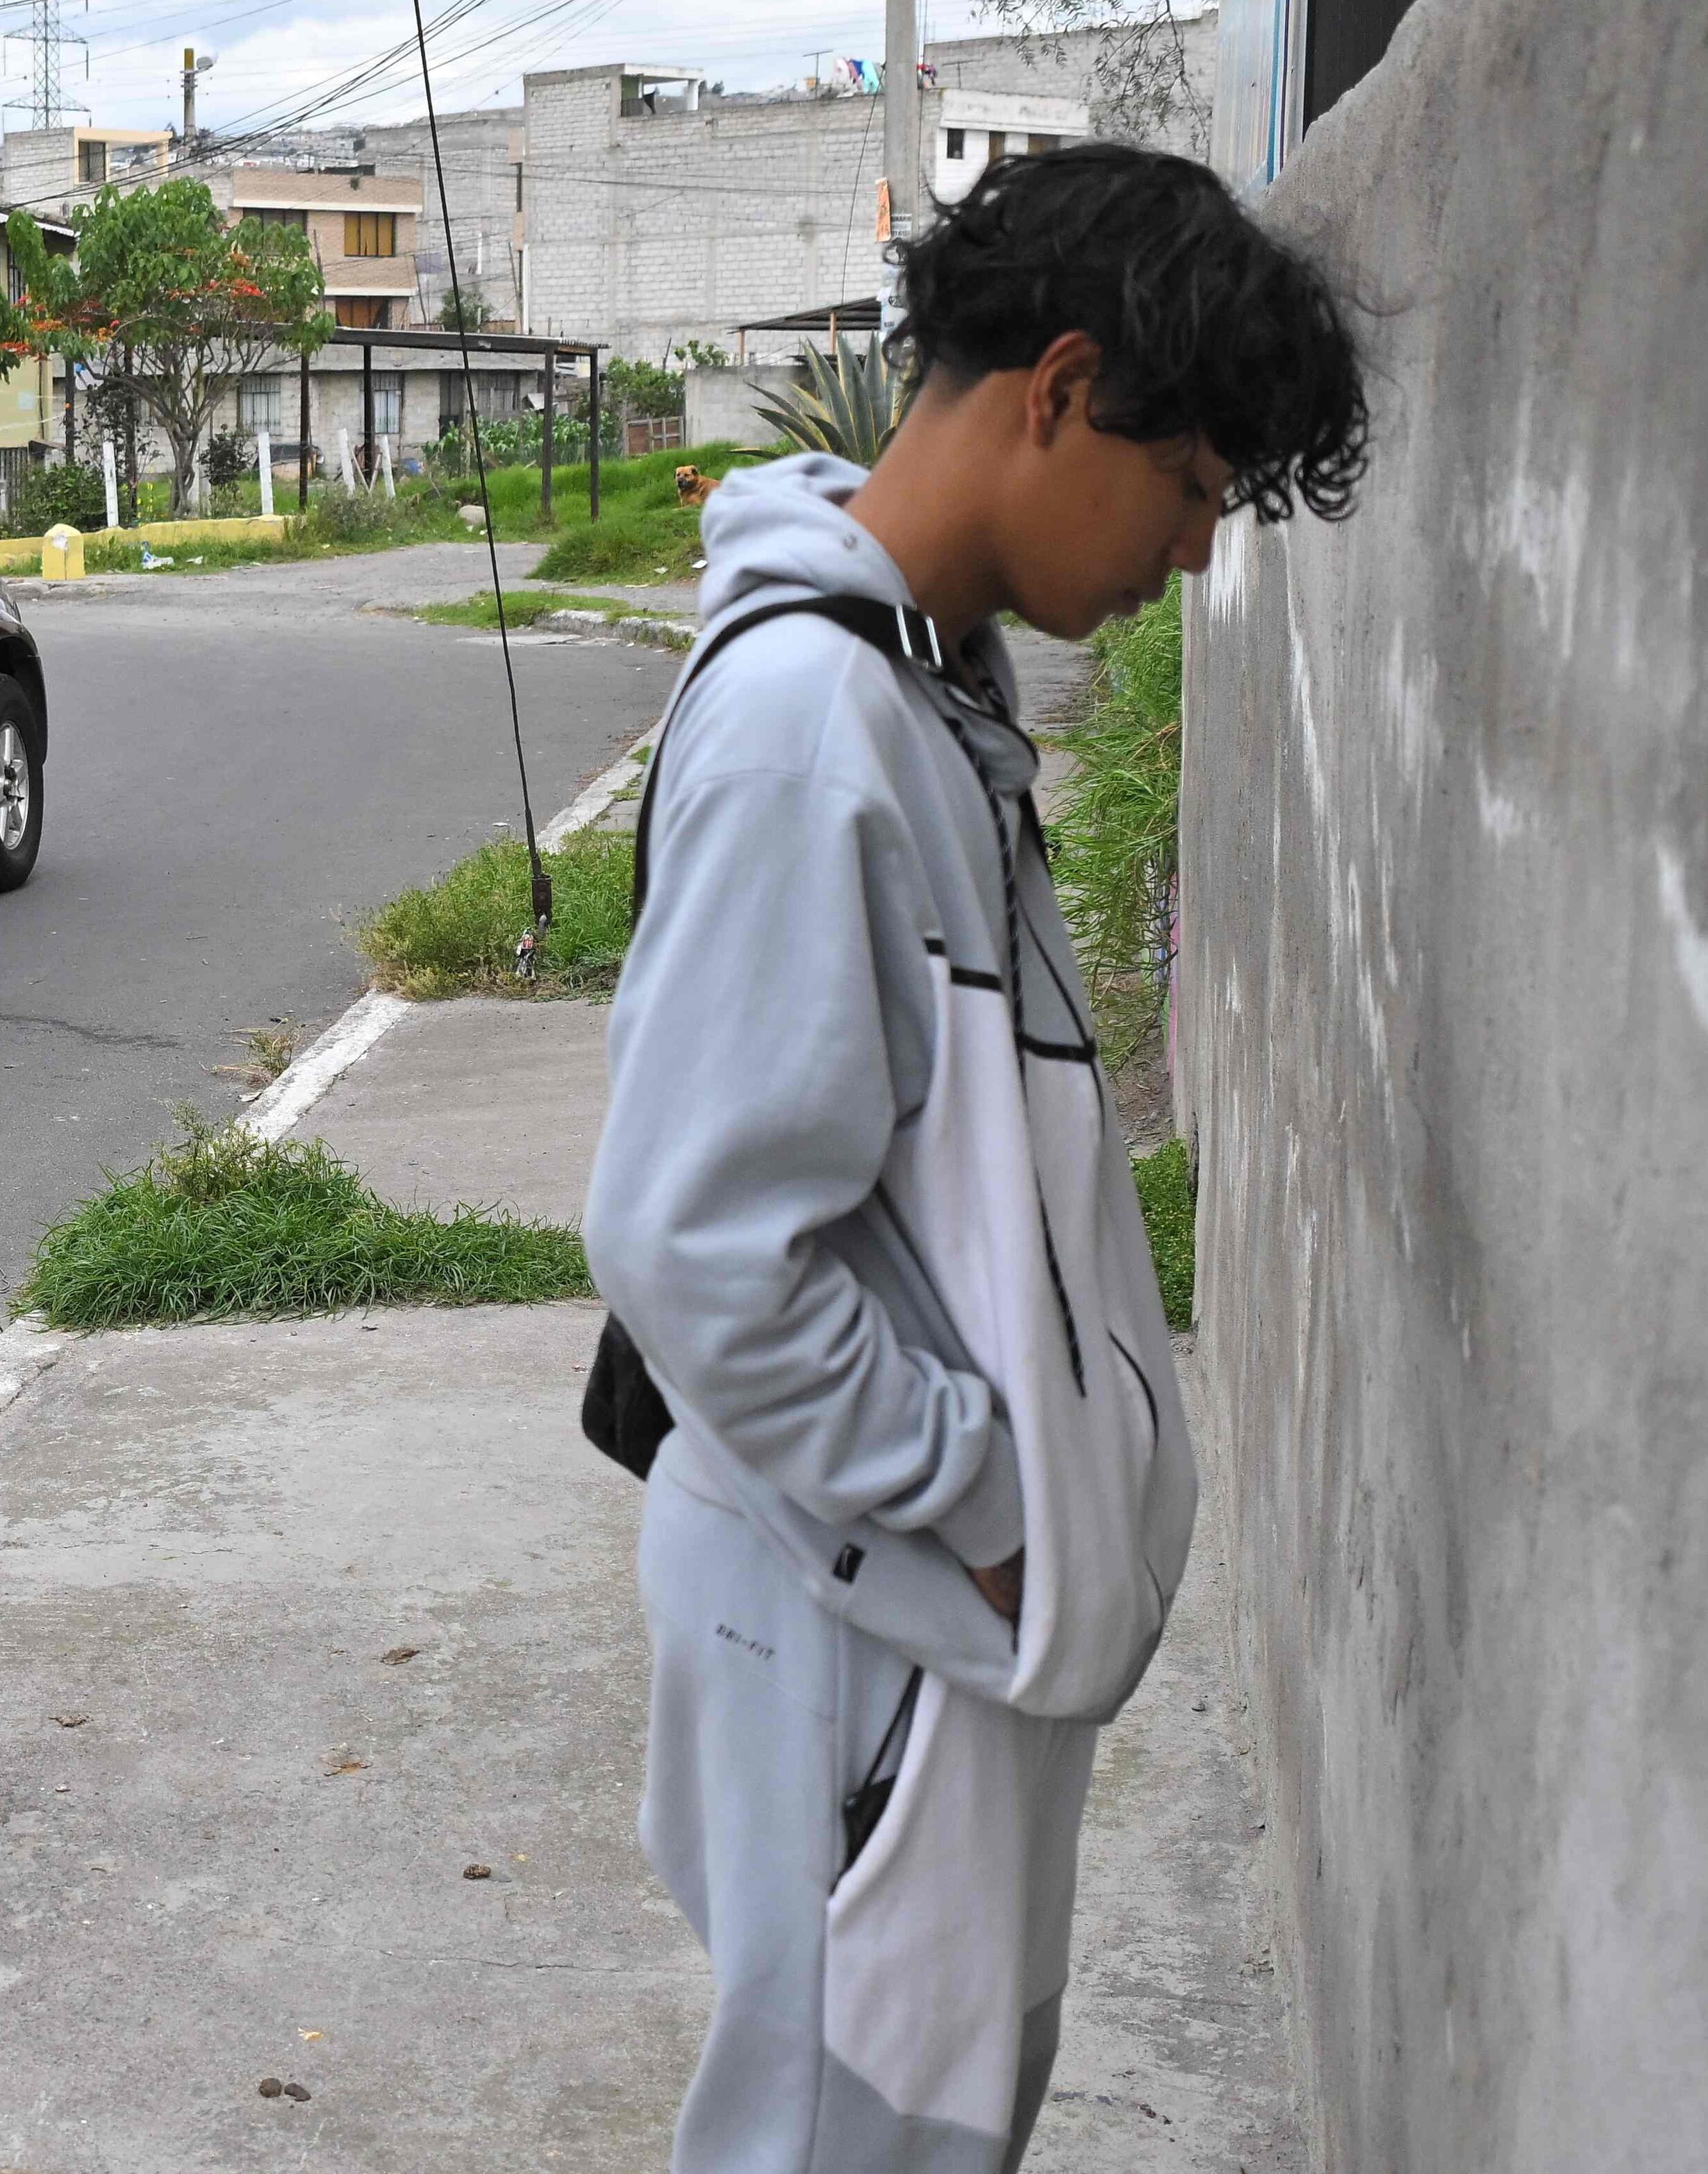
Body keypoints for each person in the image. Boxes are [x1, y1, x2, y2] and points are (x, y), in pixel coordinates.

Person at [580, 144, 1368, 2174]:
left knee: (923, 2113)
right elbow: (693, 1247)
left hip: (905, 1606)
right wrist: (986, 1499)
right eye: (1186, 484)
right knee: (847, 2131)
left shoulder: (918, 694)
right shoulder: (812, 730)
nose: (1194, 551)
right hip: (864, 1605)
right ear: (1059, 388)